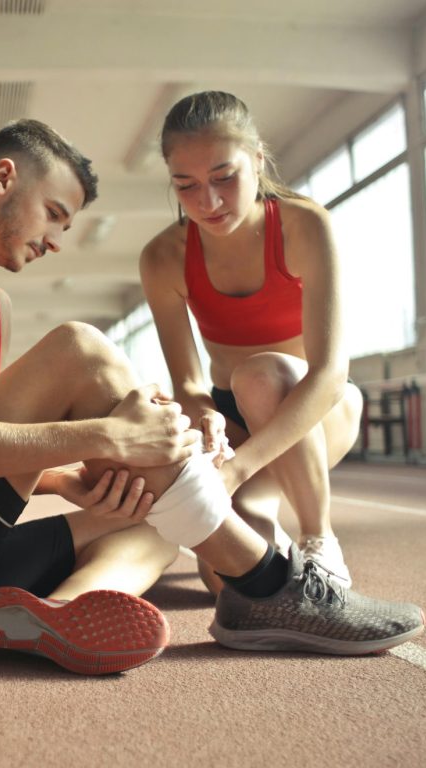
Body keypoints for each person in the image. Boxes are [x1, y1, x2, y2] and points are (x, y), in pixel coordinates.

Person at [0, 119, 423, 678]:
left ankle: (60, 612)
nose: (57, 241)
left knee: (153, 513)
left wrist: (69, 480)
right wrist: (106, 439)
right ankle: (267, 582)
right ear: (4, 178)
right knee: (79, 349)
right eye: (55, 214)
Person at [140, 91, 364, 590]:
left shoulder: (306, 226)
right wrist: (207, 419)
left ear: (258, 160)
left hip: (317, 408)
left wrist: (237, 471)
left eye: (224, 178)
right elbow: (189, 381)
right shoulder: (163, 258)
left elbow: (329, 375)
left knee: (262, 375)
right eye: (186, 185)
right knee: (225, 581)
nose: (208, 201)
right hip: (235, 421)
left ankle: (318, 539)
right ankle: (267, 518)